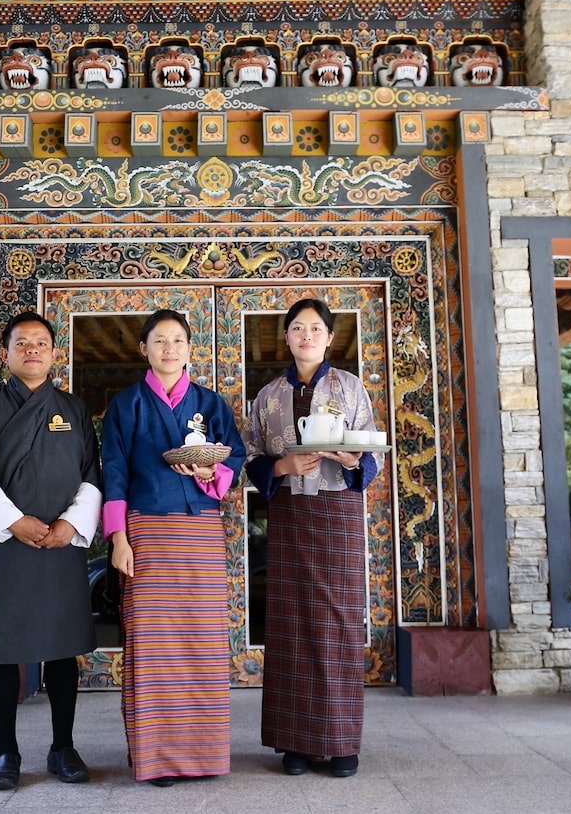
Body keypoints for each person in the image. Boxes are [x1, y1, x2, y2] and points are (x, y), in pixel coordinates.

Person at [100, 308, 247, 787]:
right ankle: (158, 758)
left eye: (178, 340)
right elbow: (114, 473)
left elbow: (234, 455)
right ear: (144, 348)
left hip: (199, 531)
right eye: (159, 340)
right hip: (146, 531)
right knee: (153, 646)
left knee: (201, 642)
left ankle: (202, 756)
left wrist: (211, 474)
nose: (169, 348)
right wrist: (118, 539)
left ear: (190, 348)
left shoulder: (209, 402)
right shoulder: (126, 404)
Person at [0, 311, 103, 792]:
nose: (33, 350)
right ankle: (6, 752)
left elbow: (91, 472)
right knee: (3, 652)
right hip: (6, 541)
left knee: (62, 652)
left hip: (60, 544)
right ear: (6, 352)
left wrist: (70, 523)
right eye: (23, 343)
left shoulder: (74, 409)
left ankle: (63, 746)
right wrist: (14, 521)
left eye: (42, 342)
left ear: (55, 352)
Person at [240, 297, 384, 779]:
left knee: (339, 624)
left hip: (337, 513)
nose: (306, 336)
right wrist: (281, 466)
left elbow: (373, 454)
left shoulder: (351, 388)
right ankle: (294, 743)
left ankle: (341, 741)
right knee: (289, 625)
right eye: (297, 328)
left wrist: (351, 461)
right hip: (288, 516)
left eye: (316, 328)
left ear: (329, 337)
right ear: (287, 336)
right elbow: (249, 456)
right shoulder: (268, 396)